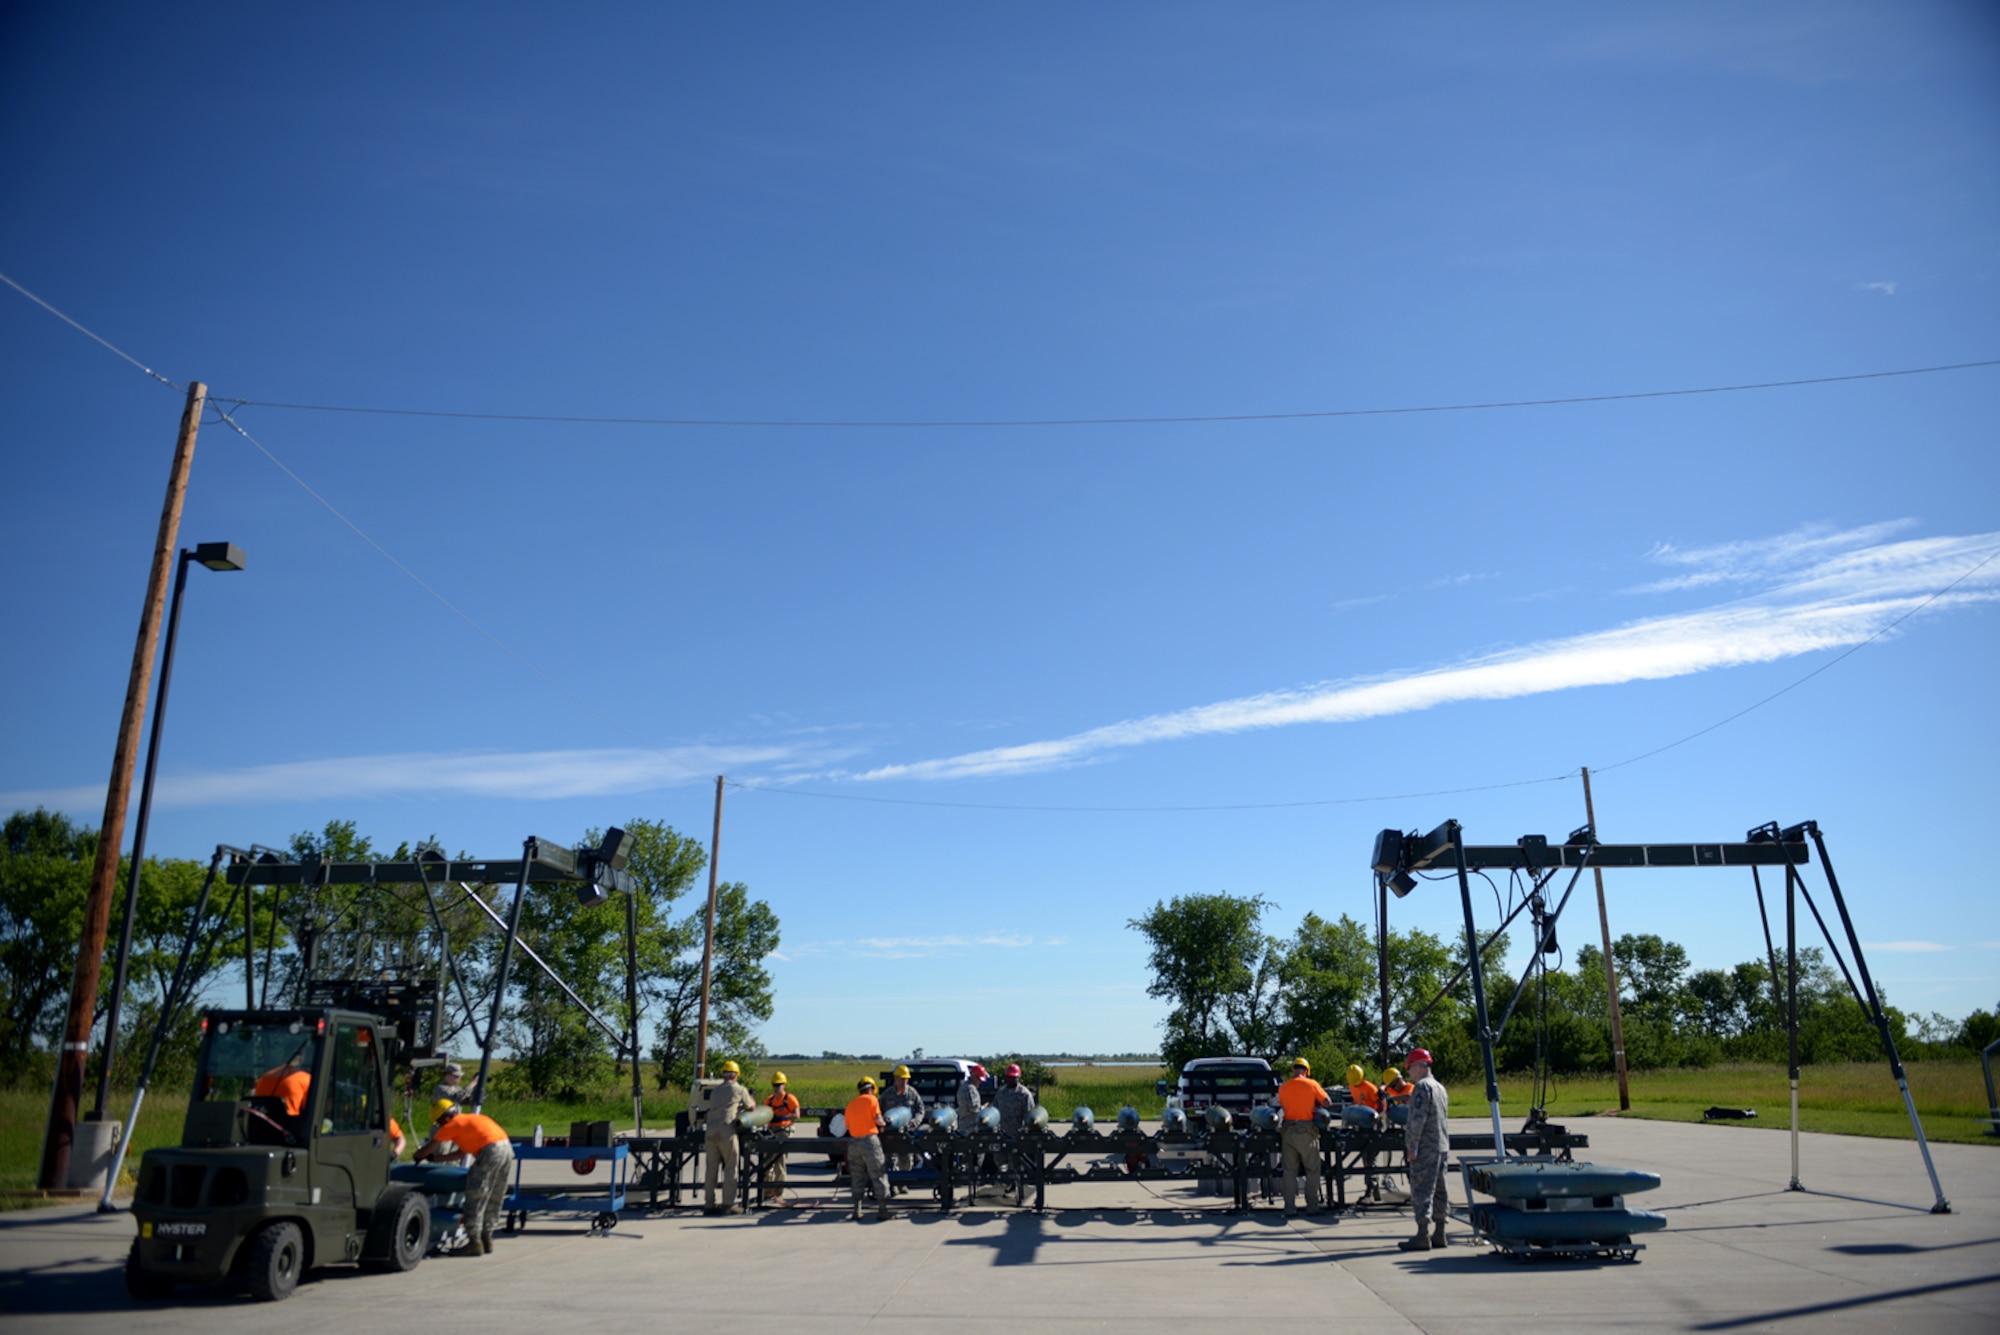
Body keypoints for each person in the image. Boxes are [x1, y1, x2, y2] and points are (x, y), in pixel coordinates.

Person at [413, 1099, 512, 1255]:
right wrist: (434, 1159)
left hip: (490, 1152)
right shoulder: (470, 1120)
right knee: (494, 1195)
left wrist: (419, 1155)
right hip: (506, 1149)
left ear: (444, 1118)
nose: (439, 1126)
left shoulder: (452, 1124)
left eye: (438, 1123)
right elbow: (461, 1153)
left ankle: (474, 1243)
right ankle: (487, 1239)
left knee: (476, 1194)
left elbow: (431, 1146)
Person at [1397, 1048, 1452, 1251]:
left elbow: (1417, 1121)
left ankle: (1422, 1234)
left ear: (1420, 1066)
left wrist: (1412, 1146)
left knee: (1422, 1190)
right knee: (1440, 1190)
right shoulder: (1440, 1087)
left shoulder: (1421, 1087)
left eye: (1410, 1068)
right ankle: (1440, 1232)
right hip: (1441, 1145)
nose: (1409, 1073)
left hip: (1425, 1147)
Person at [694, 1060, 757, 1215]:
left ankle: (709, 1204)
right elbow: (751, 1107)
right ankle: (728, 1205)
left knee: (711, 1168)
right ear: (736, 1075)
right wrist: (749, 1100)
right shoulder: (739, 1089)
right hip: (726, 1130)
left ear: (723, 1075)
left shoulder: (715, 1091)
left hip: (710, 1131)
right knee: (730, 1167)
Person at [1276, 1057, 1331, 1218]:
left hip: (1288, 1132)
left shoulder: (1283, 1087)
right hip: (1307, 1132)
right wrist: (1314, 1106)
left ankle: (1289, 1208)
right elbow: (1327, 1101)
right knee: (1313, 1169)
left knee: (1289, 1171)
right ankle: (1312, 1206)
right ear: (1306, 1071)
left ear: (1293, 1070)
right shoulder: (1312, 1084)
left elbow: (1282, 1105)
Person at [844, 1077, 893, 1220]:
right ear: (871, 1089)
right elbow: (878, 1119)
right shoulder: (872, 1100)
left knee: (857, 1175)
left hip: (853, 1143)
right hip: (869, 1142)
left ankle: (857, 1210)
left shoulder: (850, 1104)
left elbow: (847, 1125)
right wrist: (884, 1124)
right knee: (878, 1173)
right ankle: (882, 1210)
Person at [1346, 1062, 1383, 1202]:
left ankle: (1371, 1189)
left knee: (1371, 1158)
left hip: (1373, 1125)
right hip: (1362, 1125)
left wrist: (1375, 1120)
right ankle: (1374, 1188)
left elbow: (1379, 1106)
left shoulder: (1369, 1088)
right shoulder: (1351, 1086)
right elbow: (1356, 1101)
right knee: (1365, 1158)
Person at [880, 1064, 926, 1174]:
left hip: (906, 1133)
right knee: (889, 1161)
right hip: (890, 1134)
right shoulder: (887, 1094)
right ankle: (893, 1185)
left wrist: (915, 1122)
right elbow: (879, 1111)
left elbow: (921, 1110)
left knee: (906, 1160)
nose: (905, 1081)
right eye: (902, 1079)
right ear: (896, 1078)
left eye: (906, 1079)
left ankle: (904, 1183)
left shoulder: (912, 1093)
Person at [762, 1072, 800, 1203]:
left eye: (779, 1085)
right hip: (772, 1131)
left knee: (780, 1163)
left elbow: (796, 1115)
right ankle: (767, 1192)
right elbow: (764, 1114)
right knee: (767, 1163)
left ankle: (778, 1194)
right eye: (774, 1085)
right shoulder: (770, 1100)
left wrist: (784, 1117)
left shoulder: (789, 1099)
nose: (776, 1088)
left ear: (784, 1085)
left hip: (783, 1131)